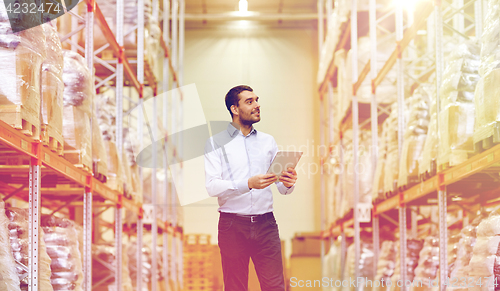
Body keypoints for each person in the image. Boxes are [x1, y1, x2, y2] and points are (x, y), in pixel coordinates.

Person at [204, 85, 298, 291]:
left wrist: (288, 182)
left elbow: (280, 186)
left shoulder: (268, 141)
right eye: (250, 101)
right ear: (234, 109)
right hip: (232, 225)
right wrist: (247, 184)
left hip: (266, 225)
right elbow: (211, 186)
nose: (257, 105)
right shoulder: (215, 143)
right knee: (235, 287)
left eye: (257, 100)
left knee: (275, 286)